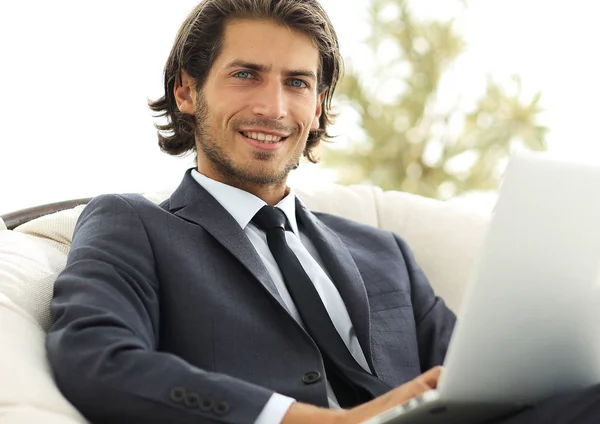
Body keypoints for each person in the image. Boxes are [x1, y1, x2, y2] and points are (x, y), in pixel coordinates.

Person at [45, 1, 600, 423]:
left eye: (297, 83)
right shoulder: (132, 223)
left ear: (317, 108)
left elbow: (485, 381)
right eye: (246, 74)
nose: (273, 107)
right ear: (186, 91)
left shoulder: (385, 252)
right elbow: (96, 358)